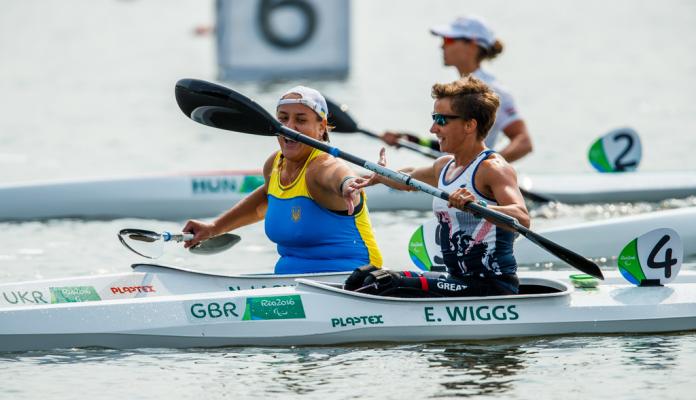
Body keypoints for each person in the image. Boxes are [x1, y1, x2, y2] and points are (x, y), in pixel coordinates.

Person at [346, 76, 529, 296]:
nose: (433, 129)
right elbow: (408, 179)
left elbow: (522, 217)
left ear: (470, 125)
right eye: (434, 118)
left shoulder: (492, 168)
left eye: (442, 120)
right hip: (457, 281)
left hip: (493, 286)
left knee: (387, 282)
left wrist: (478, 205)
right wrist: (378, 176)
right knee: (364, 277)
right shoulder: (444, 166)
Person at [183, 86, 383, 274]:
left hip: (352, 282)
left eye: (301, 120)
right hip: (290, 286)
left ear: (321, 127)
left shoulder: (321, 167)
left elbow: (338, 174)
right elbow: (264, 200)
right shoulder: (275, 164)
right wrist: (214, 228)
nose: (290, 127)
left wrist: (348, 185)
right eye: (283, 119)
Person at [381, 15, 533, 163]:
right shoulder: (459, 89)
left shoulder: (492, 91)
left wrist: (488, 167)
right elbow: (454, 144)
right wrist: (413, 140)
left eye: (448, 39)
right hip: (455, 174)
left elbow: (523, 142)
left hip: (470, 183)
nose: (442, 45)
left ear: (472, 44)